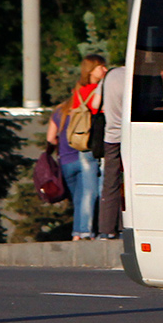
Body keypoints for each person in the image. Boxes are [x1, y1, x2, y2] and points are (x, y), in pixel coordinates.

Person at [48, 54, 107, 240]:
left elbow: (51, 138)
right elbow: (101, 110)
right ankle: (85, 232)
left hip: (70, 155)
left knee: (80, 197)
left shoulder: (76, 95)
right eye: (101, 67)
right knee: (90, 194)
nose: (105, 70)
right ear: (91, 70)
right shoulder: (96, 90)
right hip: (88, 147)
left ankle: (77, 232)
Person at [96, 66, 126, 240]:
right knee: (128, 182)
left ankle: (107, 229)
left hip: (111, 135)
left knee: (110, 183)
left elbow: (94, 104)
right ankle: (124, 225)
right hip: (129, 135)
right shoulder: (131, 75)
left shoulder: (109, 76)